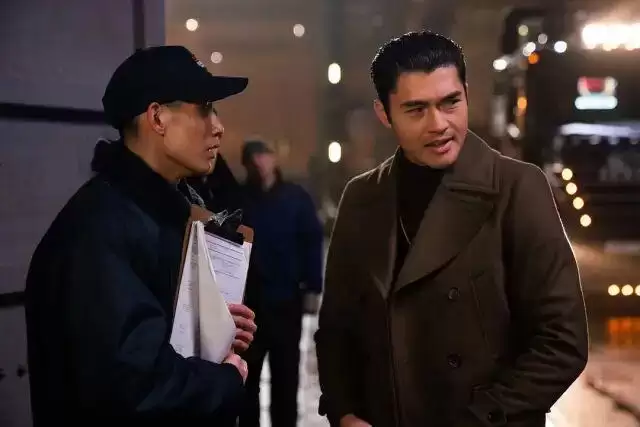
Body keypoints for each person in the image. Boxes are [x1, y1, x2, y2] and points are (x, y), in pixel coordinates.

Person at [315, 31, 589, 427]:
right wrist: (345, 413)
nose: (438, 124)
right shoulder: (362, 196)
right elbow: (336, 329)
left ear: (467, 94)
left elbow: (563, 342)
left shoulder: (517, 187)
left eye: (450, 103)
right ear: (384, 113)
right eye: (416, 109)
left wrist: (485, 415)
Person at [24, 46, 257, 426]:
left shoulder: (158, 212)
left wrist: (216, 328)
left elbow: (154, 337)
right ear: (157, 117)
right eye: (204, 109)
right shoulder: (100, 231)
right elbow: (134, 385)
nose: (218, 126)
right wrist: (223, 381)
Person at [238, 140, 324, 427]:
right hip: (249, 305)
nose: (259, 162)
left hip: (287, 302)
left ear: (273, 158)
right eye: (253, 157)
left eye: (263, 155)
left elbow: (312, 241)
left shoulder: (296, 198)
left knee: (286, 378)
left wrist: (313, 287)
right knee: (247, 381)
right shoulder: (240, 200)